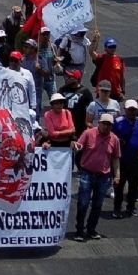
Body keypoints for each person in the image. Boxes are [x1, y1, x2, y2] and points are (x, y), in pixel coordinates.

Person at [71, 113, 121, 242]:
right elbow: (79, 147)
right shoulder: (88, 133)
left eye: (109, 125)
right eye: (104, 123)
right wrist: (75, 146)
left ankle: (91, 229)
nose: (106, 126)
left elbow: (115, 158)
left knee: (97, 205)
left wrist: (117, 175)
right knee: (83, 203)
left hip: (104, 176)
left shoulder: (114, 139)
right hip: (87, 173)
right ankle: (79, 230)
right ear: (99, 123)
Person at [89, 33, 126, 101]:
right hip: (102, 92)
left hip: (115, 93)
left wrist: (123, 91)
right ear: (105, 48)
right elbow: (91, 52)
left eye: (114, 46)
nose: (112, 49)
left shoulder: (119, 60)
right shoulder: (101, 58)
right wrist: (94, 40)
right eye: (110, 47)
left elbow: (122, 77)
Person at [58, 70, 93, 139]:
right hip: (65, 123)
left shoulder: (85, 91)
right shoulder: (62, 90)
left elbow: (91, 108)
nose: (67, 78)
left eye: (70, 77)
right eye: (68, 76)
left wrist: (88, 123)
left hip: (80, 124)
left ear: (77, 79)